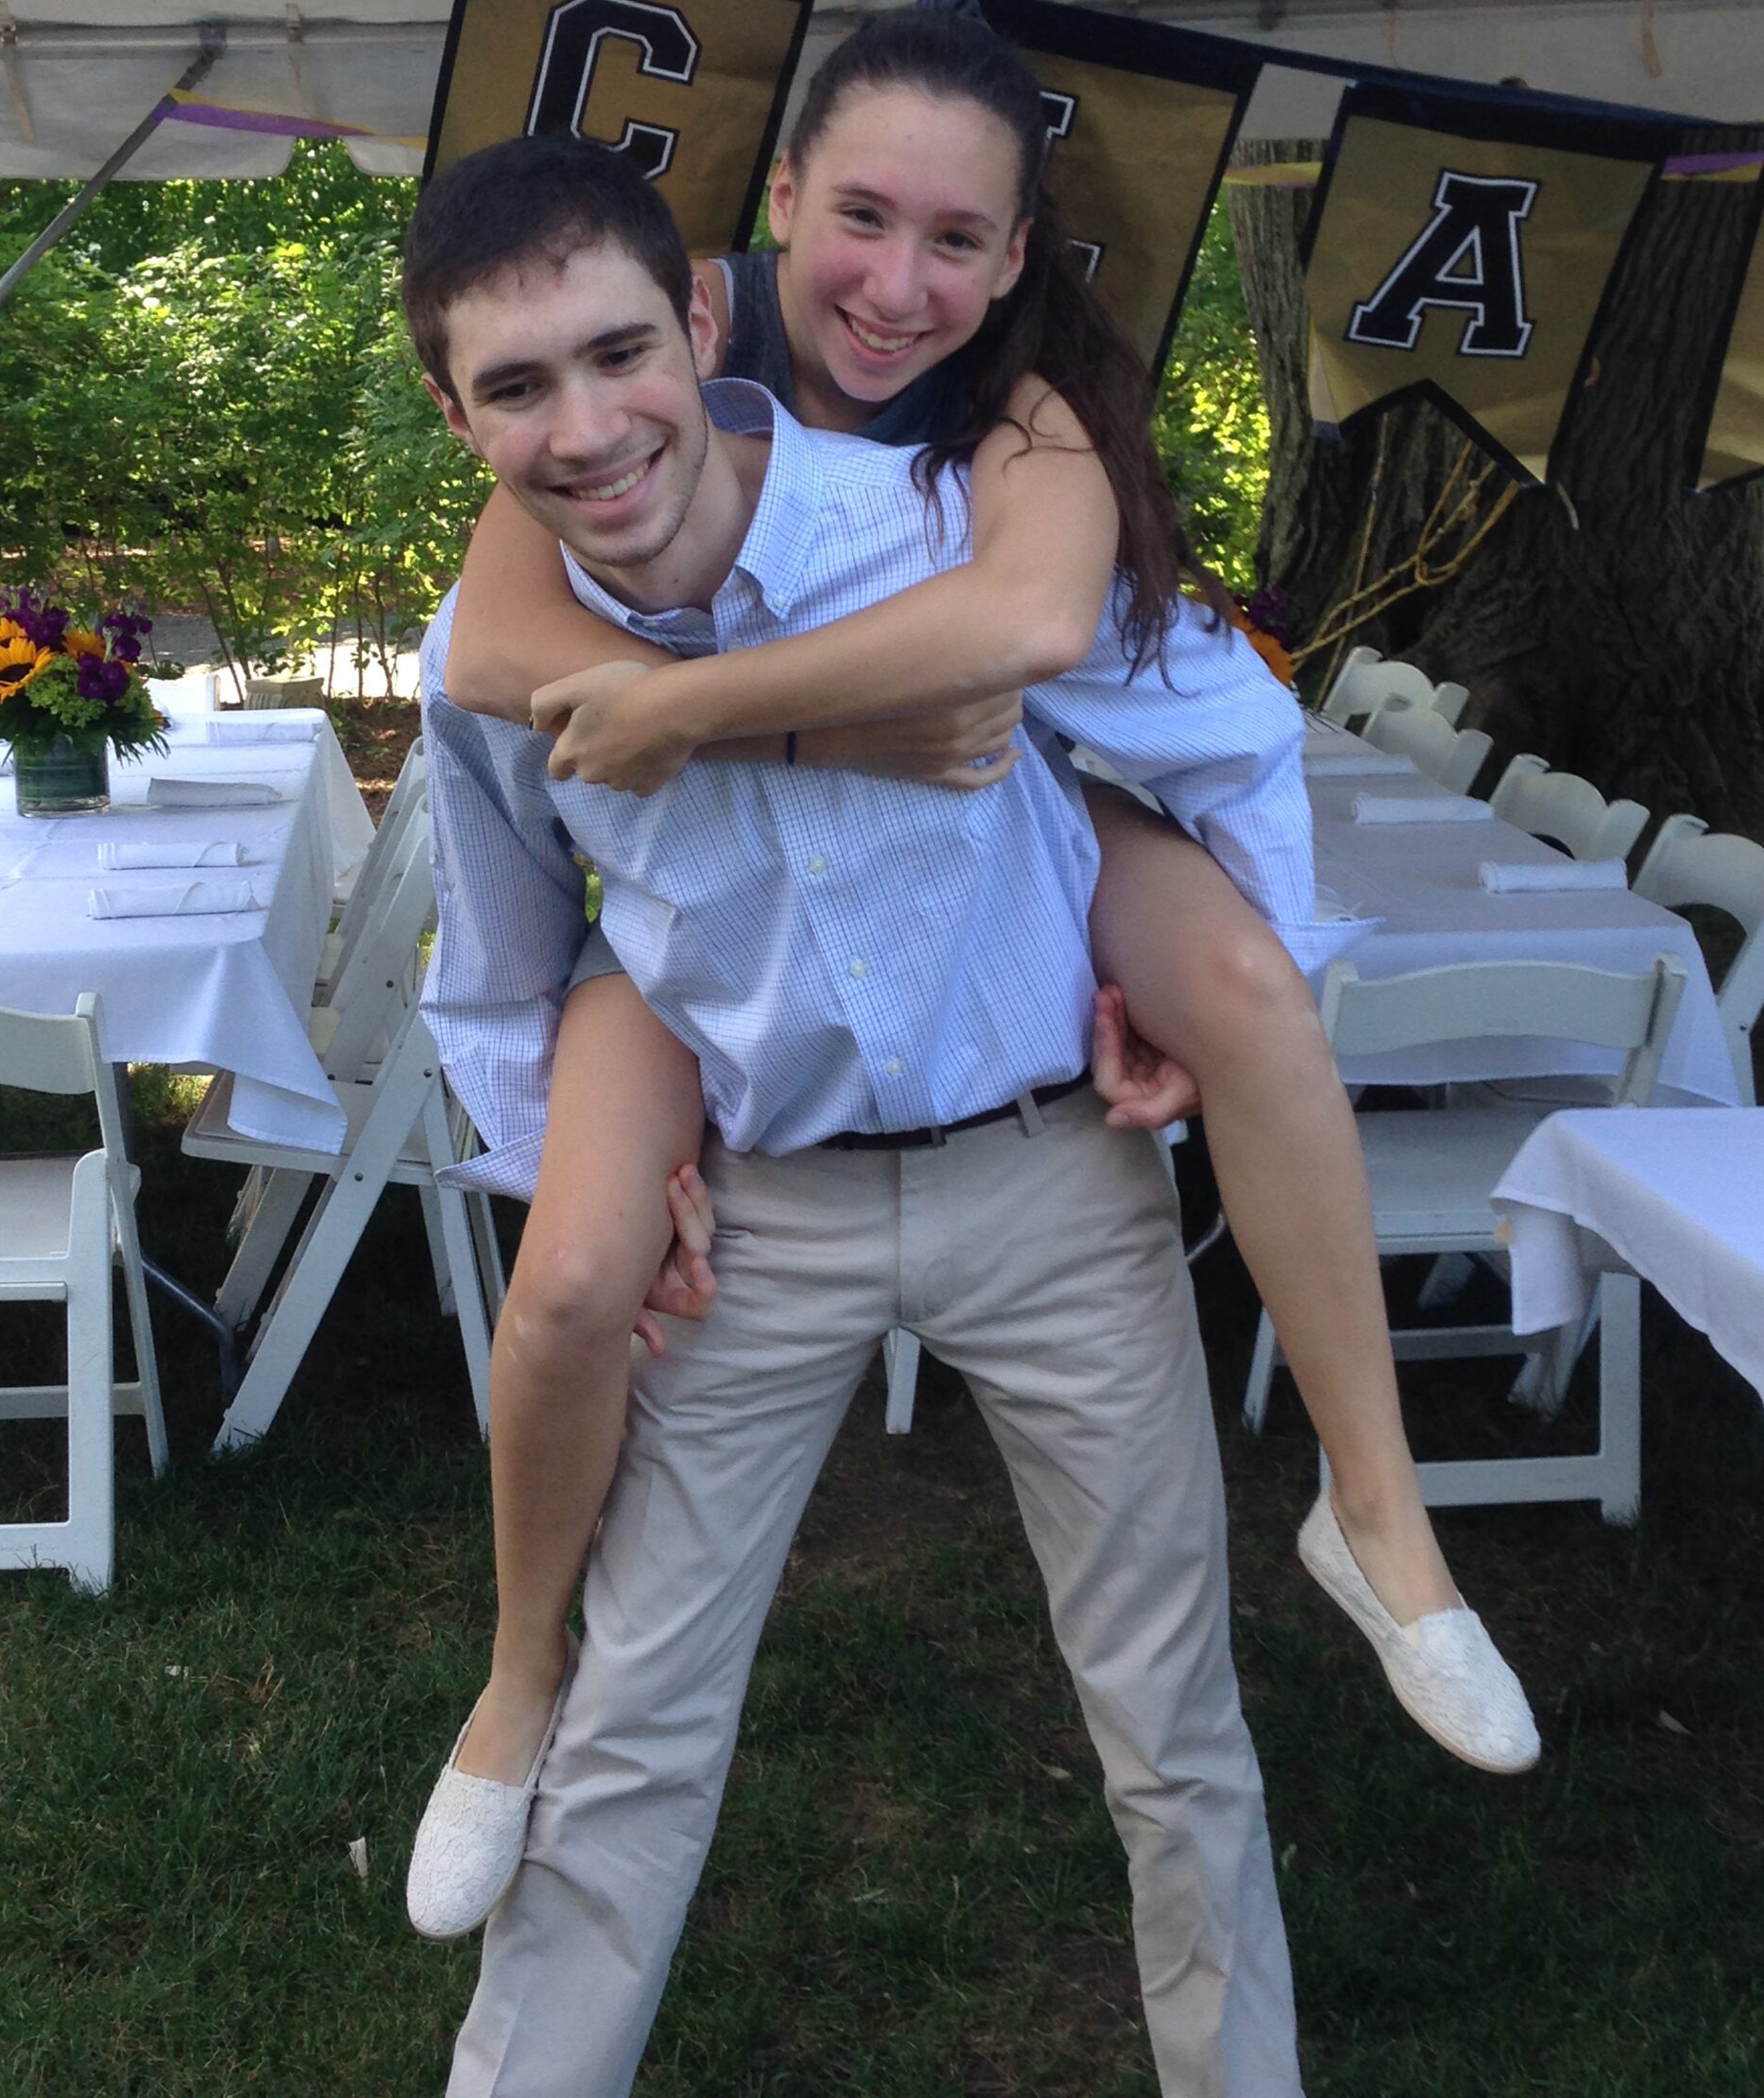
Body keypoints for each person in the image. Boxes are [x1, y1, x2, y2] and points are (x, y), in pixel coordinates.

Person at [410, 3, 1536, 1930]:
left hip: (1053, 804)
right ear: (768, 215)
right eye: (861, 217)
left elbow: (1027, 629)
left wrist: (708, 719)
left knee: (1255, 1008)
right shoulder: (630, 378)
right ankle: (520, 1685)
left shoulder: (1023, 421)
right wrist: (792, 737)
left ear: (1020, 256)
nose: (898, 282)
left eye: (959, 239)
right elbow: (507, 656)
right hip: (716, 928)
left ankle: (1382, 1510)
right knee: (576, 1262)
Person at [409, 129, 1311, 2092]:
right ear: (449, 405)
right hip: (760, 1211)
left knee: (1174, 1714)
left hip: (1052, 1174)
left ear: (708, 320)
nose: (587, 426)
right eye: (517, 384)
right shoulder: (489, 664)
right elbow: (500, 959)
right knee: (634, 1717)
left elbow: (1218, 727)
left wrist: (1224, 979)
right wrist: (593, 1177)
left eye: (620, 351)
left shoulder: (954, 537)